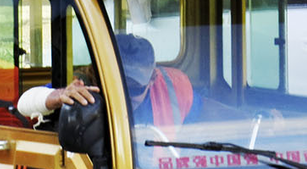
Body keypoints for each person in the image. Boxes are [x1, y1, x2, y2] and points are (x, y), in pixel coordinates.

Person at [16, 33, 193, 131]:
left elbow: (208, 120)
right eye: (115, 84)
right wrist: (59, 96)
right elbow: (24, 104)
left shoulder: (174, 88)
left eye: (132, 87)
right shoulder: (84, 85)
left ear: (152, 78)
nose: (123, 95)